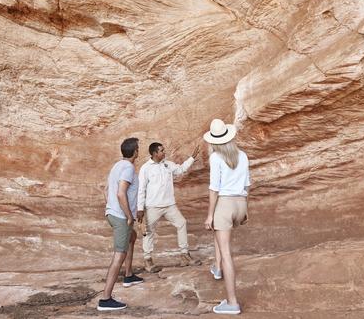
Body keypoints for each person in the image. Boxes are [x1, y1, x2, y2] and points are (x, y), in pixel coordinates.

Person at [203, 119, 250, 315]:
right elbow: (247, 185)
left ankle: (232, 303)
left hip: (225, 204)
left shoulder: (216, 158)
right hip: (240, 203)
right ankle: (217, 267)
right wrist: (245, 208)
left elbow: (214, 189)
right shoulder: (242, 155)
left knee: (227, 252)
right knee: (219, 235)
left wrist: (209, 215)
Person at [136, 142, 202, 272]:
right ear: (154, 153)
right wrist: (140, 209)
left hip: (169, 205)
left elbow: (181, 169)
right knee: (149, 231)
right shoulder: (146, 168)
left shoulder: (167, 164)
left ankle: (184, 255)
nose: (164, 152)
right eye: (161, 151)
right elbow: (141, 189)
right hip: (153, 206)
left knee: (181, 223)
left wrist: (192, 158)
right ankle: (148, 260)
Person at [97, 137, 144, 311]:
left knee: (132, 237)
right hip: (121, 217)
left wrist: (110, 208)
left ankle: (129, 275)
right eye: (138, 148)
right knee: (119, 255)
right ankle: (105, 299)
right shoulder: (128, 168)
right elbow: (120, 193)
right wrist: (128, 216)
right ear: (136, 152)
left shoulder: (117, 166)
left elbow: (106, 190)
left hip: (113, 213)